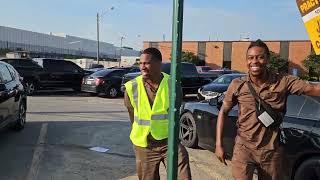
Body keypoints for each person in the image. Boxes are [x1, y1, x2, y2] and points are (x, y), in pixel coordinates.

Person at [215, 39, 320, 180]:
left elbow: (314, 90)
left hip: (271, 151)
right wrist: (218, 144)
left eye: (260, 57)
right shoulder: (237, 85)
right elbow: (223, 111)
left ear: (268, 59)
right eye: (250, 58)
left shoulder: (283, 81)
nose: (255, 61)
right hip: (243, 148)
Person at [124, 47, 192, 180]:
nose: (142, 67)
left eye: (147, 63)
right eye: (141, 63)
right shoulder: (131, 87)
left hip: (169, 142)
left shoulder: (172, 85)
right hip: (145, 145)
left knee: (183, 172)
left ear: (158, 64)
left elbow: (176, 113)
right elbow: (132, 115)